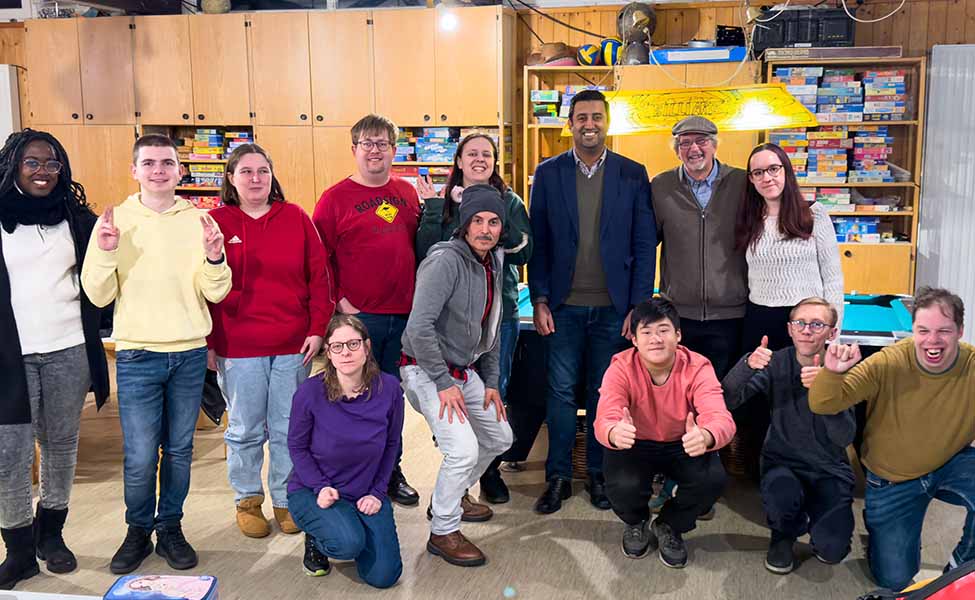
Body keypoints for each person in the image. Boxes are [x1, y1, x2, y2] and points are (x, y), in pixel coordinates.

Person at [81, 134, 231, 574]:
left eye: (167, 162)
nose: (159, 170)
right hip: (136, 355)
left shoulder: (198, 220)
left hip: (187, 353)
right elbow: (96, 292)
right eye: (149, 163)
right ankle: (136, 531)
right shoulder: (114, 221)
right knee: (142, 454)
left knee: (180, 450)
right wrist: (107, 252)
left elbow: (216, 292)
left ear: (180, 171)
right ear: (135, 170)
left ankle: (171, 528)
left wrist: (215, 258)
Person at [528, 89, 656, 514]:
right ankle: (559, 476)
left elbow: (643, 244)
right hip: (563, 306)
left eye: (597, 117)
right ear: (569, 124)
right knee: (561, 393)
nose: (589, 124)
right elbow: (540, 244)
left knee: (606, 395)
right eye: (581, 117)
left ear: (607, 122)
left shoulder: (633, 174)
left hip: (614, 309)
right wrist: (541, 298)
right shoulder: (547, 174)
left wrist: (637, 307)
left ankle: (599, 475)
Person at [0, 130, 110, 590]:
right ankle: (19, 550)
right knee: (10, 455)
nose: (43, 171)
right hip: (10, 354)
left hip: (68, 347)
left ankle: (53, 537)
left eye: (51, 163)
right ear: (13, 167)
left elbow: (98, 281)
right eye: (32, 163)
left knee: (61, 445)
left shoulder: (76, 218)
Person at [810, 287, 975, 592]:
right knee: (894, 579)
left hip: (950, 461)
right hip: (892, 479)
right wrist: (832, 373)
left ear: (960, 331)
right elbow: (823, 404)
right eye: (923, 330)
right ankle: (881, 538)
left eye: (944, 331)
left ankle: (962, 567)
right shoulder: (889, 362)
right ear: (913, 330)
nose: (933, 341)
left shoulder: (972, 365)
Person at [207, 144, 334, 539]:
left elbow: (320, 276)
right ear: (231, 178)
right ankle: (247, 500)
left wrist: (317, 329)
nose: (256, 179)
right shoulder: (215, 222)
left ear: (272, 175)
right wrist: (210, 341)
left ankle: (285, 499)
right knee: (245, 429)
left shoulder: (294, 217)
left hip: (293, 343)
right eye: (246, 172)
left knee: (286, 427)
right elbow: (203, 286)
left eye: (263, 170)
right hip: (238, 344)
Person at [415, 132, 532, 504]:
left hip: (497, 313)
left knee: (494, 394)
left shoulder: (509, 201)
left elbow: (522, 253)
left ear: (495, 162)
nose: (480, 159)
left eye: (488, 154)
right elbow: (426, 250)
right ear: (459, 161)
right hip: (450, 319)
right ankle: (456, 476)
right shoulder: (441, 201)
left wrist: (495, 217)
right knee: (451, 405)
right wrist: (437, 208)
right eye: (472, 154)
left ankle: (488, 471)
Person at [400, 184, 513, 567]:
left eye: (493, 222)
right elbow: (419, 328)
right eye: (477, 220)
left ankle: (454, 495)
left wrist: (493, 382)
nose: (485, 229)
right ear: (464, 224)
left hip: (463, 370)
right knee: (462, 448)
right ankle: (443, 530)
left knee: (500, 436)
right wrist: (444, 384)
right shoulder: (444, 260)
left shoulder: (493, 261)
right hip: (424, 369)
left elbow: (492, 328)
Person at [312, 114, 419, 507]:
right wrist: (340, 303)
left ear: (394, 149)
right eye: (367, 144)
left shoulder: (407, 193)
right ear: (354, 149)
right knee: (351, 398)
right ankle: (348, 475)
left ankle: (392, 472)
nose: (375, 151)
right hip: (358, 319)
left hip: (404, 316)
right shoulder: (333, 199)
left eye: (383, 143)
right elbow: (317, 260)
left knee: (391, 399)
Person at [595, 298, 734, 569]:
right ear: (634, 339)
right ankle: (636, 522)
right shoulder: (620, 367)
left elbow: (721, 417)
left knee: (712, 479)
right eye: (646, 332)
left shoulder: (699, 366)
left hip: (684, 443)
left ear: (678, 335)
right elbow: (605, 417)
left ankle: (669, 525)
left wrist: (706, 435)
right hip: (635, 442)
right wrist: (613, 432)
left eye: (663, 330)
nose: (655, 339)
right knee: (621, 484)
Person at [722, 297, 855, 574]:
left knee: (833, 550)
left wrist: (826, 391)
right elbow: (729, 399)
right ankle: (784, 532)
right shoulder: (776, 362)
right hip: (782, 460)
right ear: (790, 329)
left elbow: (844, 437)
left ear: (832, 332)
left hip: (829, 467)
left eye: (817, 324)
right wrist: (747, 364)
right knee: (782, 497)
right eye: (800, 323)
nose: (807, 330)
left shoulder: (842, 368)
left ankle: (817, 517)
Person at [287, 315, 403, 589]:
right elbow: (297, 446)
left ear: (367, 346)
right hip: (316, 491)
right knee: (346, 544)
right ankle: (318, 533)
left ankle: (352, 526)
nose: (346, 352)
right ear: (328, 351)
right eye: (337, 346)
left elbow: (390, 446)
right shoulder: (309, 392)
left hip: (365, 492)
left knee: (385, 576)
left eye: (353, 343)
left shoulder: (389, 389)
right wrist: (319, 487)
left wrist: (377, 492)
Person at [650, 115, 748, 379]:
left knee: (726, 393)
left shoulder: (743, 183)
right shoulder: (661, 186)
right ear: (677, 150)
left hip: (731, 314)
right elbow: (647, 243)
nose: (694, 149)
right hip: (679, 315)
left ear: (714, 145)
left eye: (701, 141)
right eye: (685, 143)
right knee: (680, 391)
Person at [736, 143, 843, 352]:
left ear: (786, 169)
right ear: (751, 179)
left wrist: (832, 332)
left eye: (773, 169)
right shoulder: (748, 219)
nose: (767, 178)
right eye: (758, 173)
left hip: (807, 324)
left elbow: (833, 279)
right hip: (759, 321)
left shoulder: (815, 214)